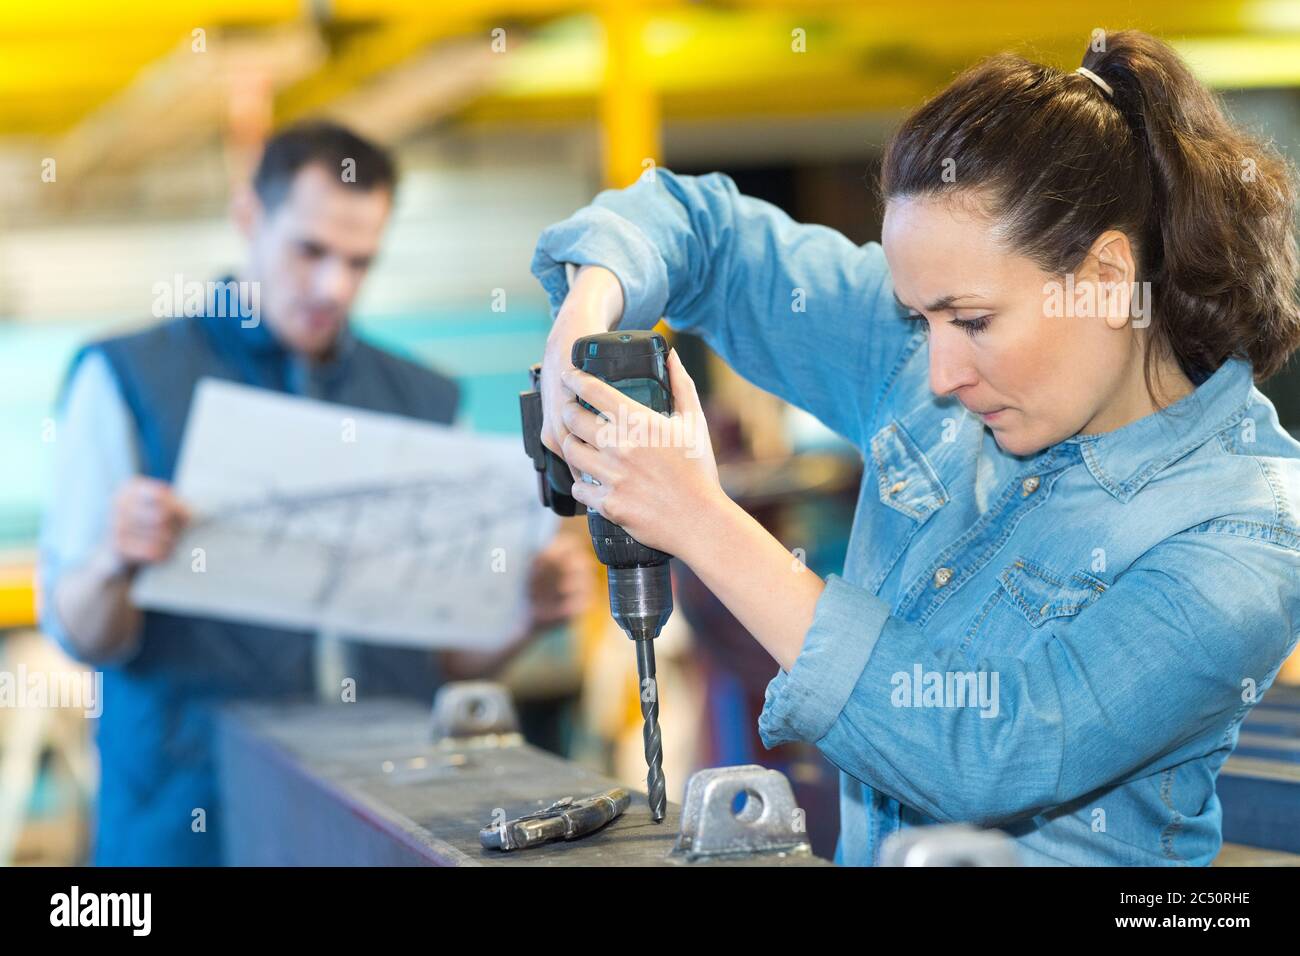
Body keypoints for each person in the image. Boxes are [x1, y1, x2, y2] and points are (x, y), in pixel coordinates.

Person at [530, 31, 1300, 865]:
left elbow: (998, 750)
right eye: (919, 317)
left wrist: (699, 521)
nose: (938, 371)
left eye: (971, 321)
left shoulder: (1249, 528)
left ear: (1109, 281)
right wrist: (587, 310)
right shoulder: (930, 352)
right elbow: (700, 230)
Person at [38, 121, 591, 865]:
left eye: (360, 261)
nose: (334, 286)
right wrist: (116, 558)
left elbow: (453, 661)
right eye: (310, 251)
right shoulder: (128, 378)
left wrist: (526, 613)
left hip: (381, 821)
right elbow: (79, 630)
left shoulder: (423, 403)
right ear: (248, 218)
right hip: (190, 825)